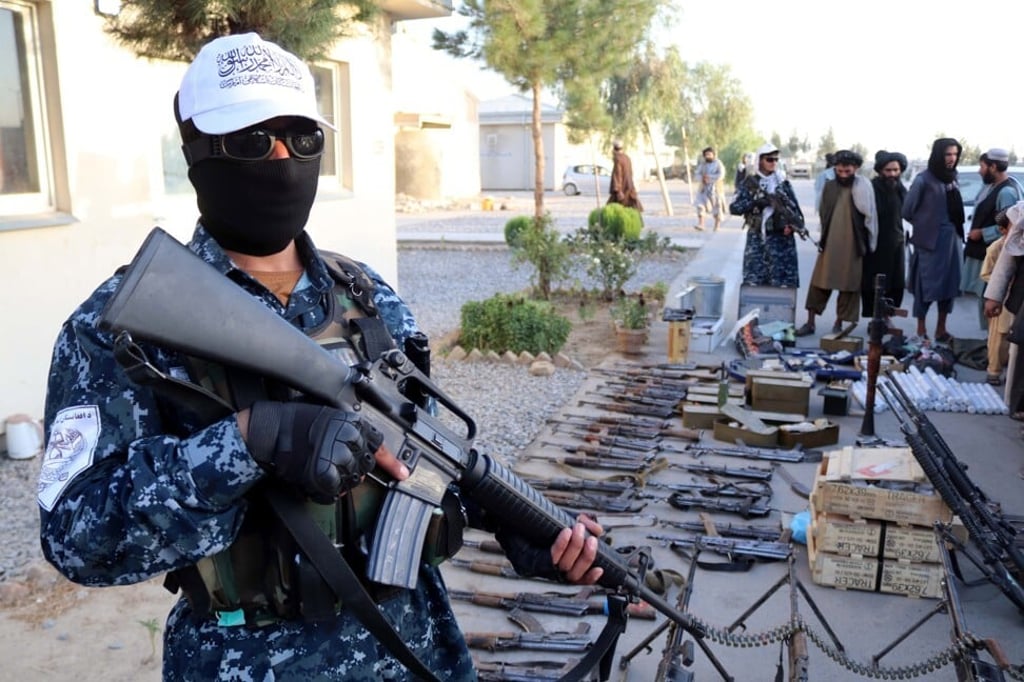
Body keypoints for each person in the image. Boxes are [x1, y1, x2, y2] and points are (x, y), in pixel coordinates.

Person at [37, 33, 602, 681]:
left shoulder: (366, 296)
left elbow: (408, 460)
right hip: (243, 659)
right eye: (251, 142)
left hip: (409, 644)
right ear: (194, 150)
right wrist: (246, 443)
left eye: (302, 139)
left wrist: (506, 523)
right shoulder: (123, 326)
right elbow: (76, 542)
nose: (281, 159)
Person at [794, 150, 878, 337]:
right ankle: (810, 323)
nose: (843, 175)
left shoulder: (863, 186)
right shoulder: (829, 186)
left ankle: (839, 323)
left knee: (848, 287)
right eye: (839, 171)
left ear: (855, 169)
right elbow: (824, 214)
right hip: (830, 242)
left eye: (847, 171)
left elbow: (870, 218)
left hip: (853, 245)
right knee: (819, 283)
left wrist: (870, 244)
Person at [902, 137, 965, 343]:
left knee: (949, 287)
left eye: (955, 154)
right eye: (948, 154)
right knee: (925, 287)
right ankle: (921, 331)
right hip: (929, 244)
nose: (952, 158)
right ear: (939, 155)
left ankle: (941, 329)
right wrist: (927, 224)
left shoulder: (952, 178)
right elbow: (907, 210)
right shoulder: (923, 180)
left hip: (952, 242)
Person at [960, 148, 1024, 330]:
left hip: (994, 256)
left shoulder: (1006, 193)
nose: (980, 171)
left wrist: (983, 233)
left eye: (982, 166)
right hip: (983, 253)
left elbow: (1011, 228)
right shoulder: (991, 188)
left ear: (993, 167)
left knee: (990, 304)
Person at [730, 142, 804, 289]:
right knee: (754, 285)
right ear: (760, 160)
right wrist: (757, 203)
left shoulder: (783, 184)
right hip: (757, 240)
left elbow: (797, 214)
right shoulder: (750, 183)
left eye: (776, 159)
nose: (773, 163)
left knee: (783, 287)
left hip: (781, 243)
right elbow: (735, 208)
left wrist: (792, 226)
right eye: (769, 159)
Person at [862, 150, 909, 322]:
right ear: (881, 171)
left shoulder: (900, 189)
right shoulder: (872, 188)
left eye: (896, 170)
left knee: (895, 283)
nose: (892, 174)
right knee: (876, 284)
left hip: (896, 243)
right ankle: (877, 319)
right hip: (876, 245)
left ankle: (887, 317)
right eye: (888, 170)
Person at [981, 209, 1013, 386]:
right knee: (997, 339)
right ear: (1003, 230)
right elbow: (986, 274)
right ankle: (993, 371)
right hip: (1000, 298)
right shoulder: (995, 248)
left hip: (1016, 299)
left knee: (1014, 338)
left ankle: (1013, 372)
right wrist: (1002, 286)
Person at [693, 146, 726, 231]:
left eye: (709, 154)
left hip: (715, 189)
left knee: (717, 207)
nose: (708, 156)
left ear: (713, 155)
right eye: (706, 154)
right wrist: (702, 178)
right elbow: (697, 174)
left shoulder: (718, 163)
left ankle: (717, 226)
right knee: (700, 205)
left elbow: (721, 175)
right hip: (704, 188)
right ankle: (701, 224)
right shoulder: (703, 164)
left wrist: (710, 178)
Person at [608, 139, 643, 211]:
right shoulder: (627, 158)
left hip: (622, 190)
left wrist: (617, 190)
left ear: (614, 149)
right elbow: (631, 173)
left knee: (612, 211)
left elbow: (617, 175)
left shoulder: (618, 159)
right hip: (629, 188)